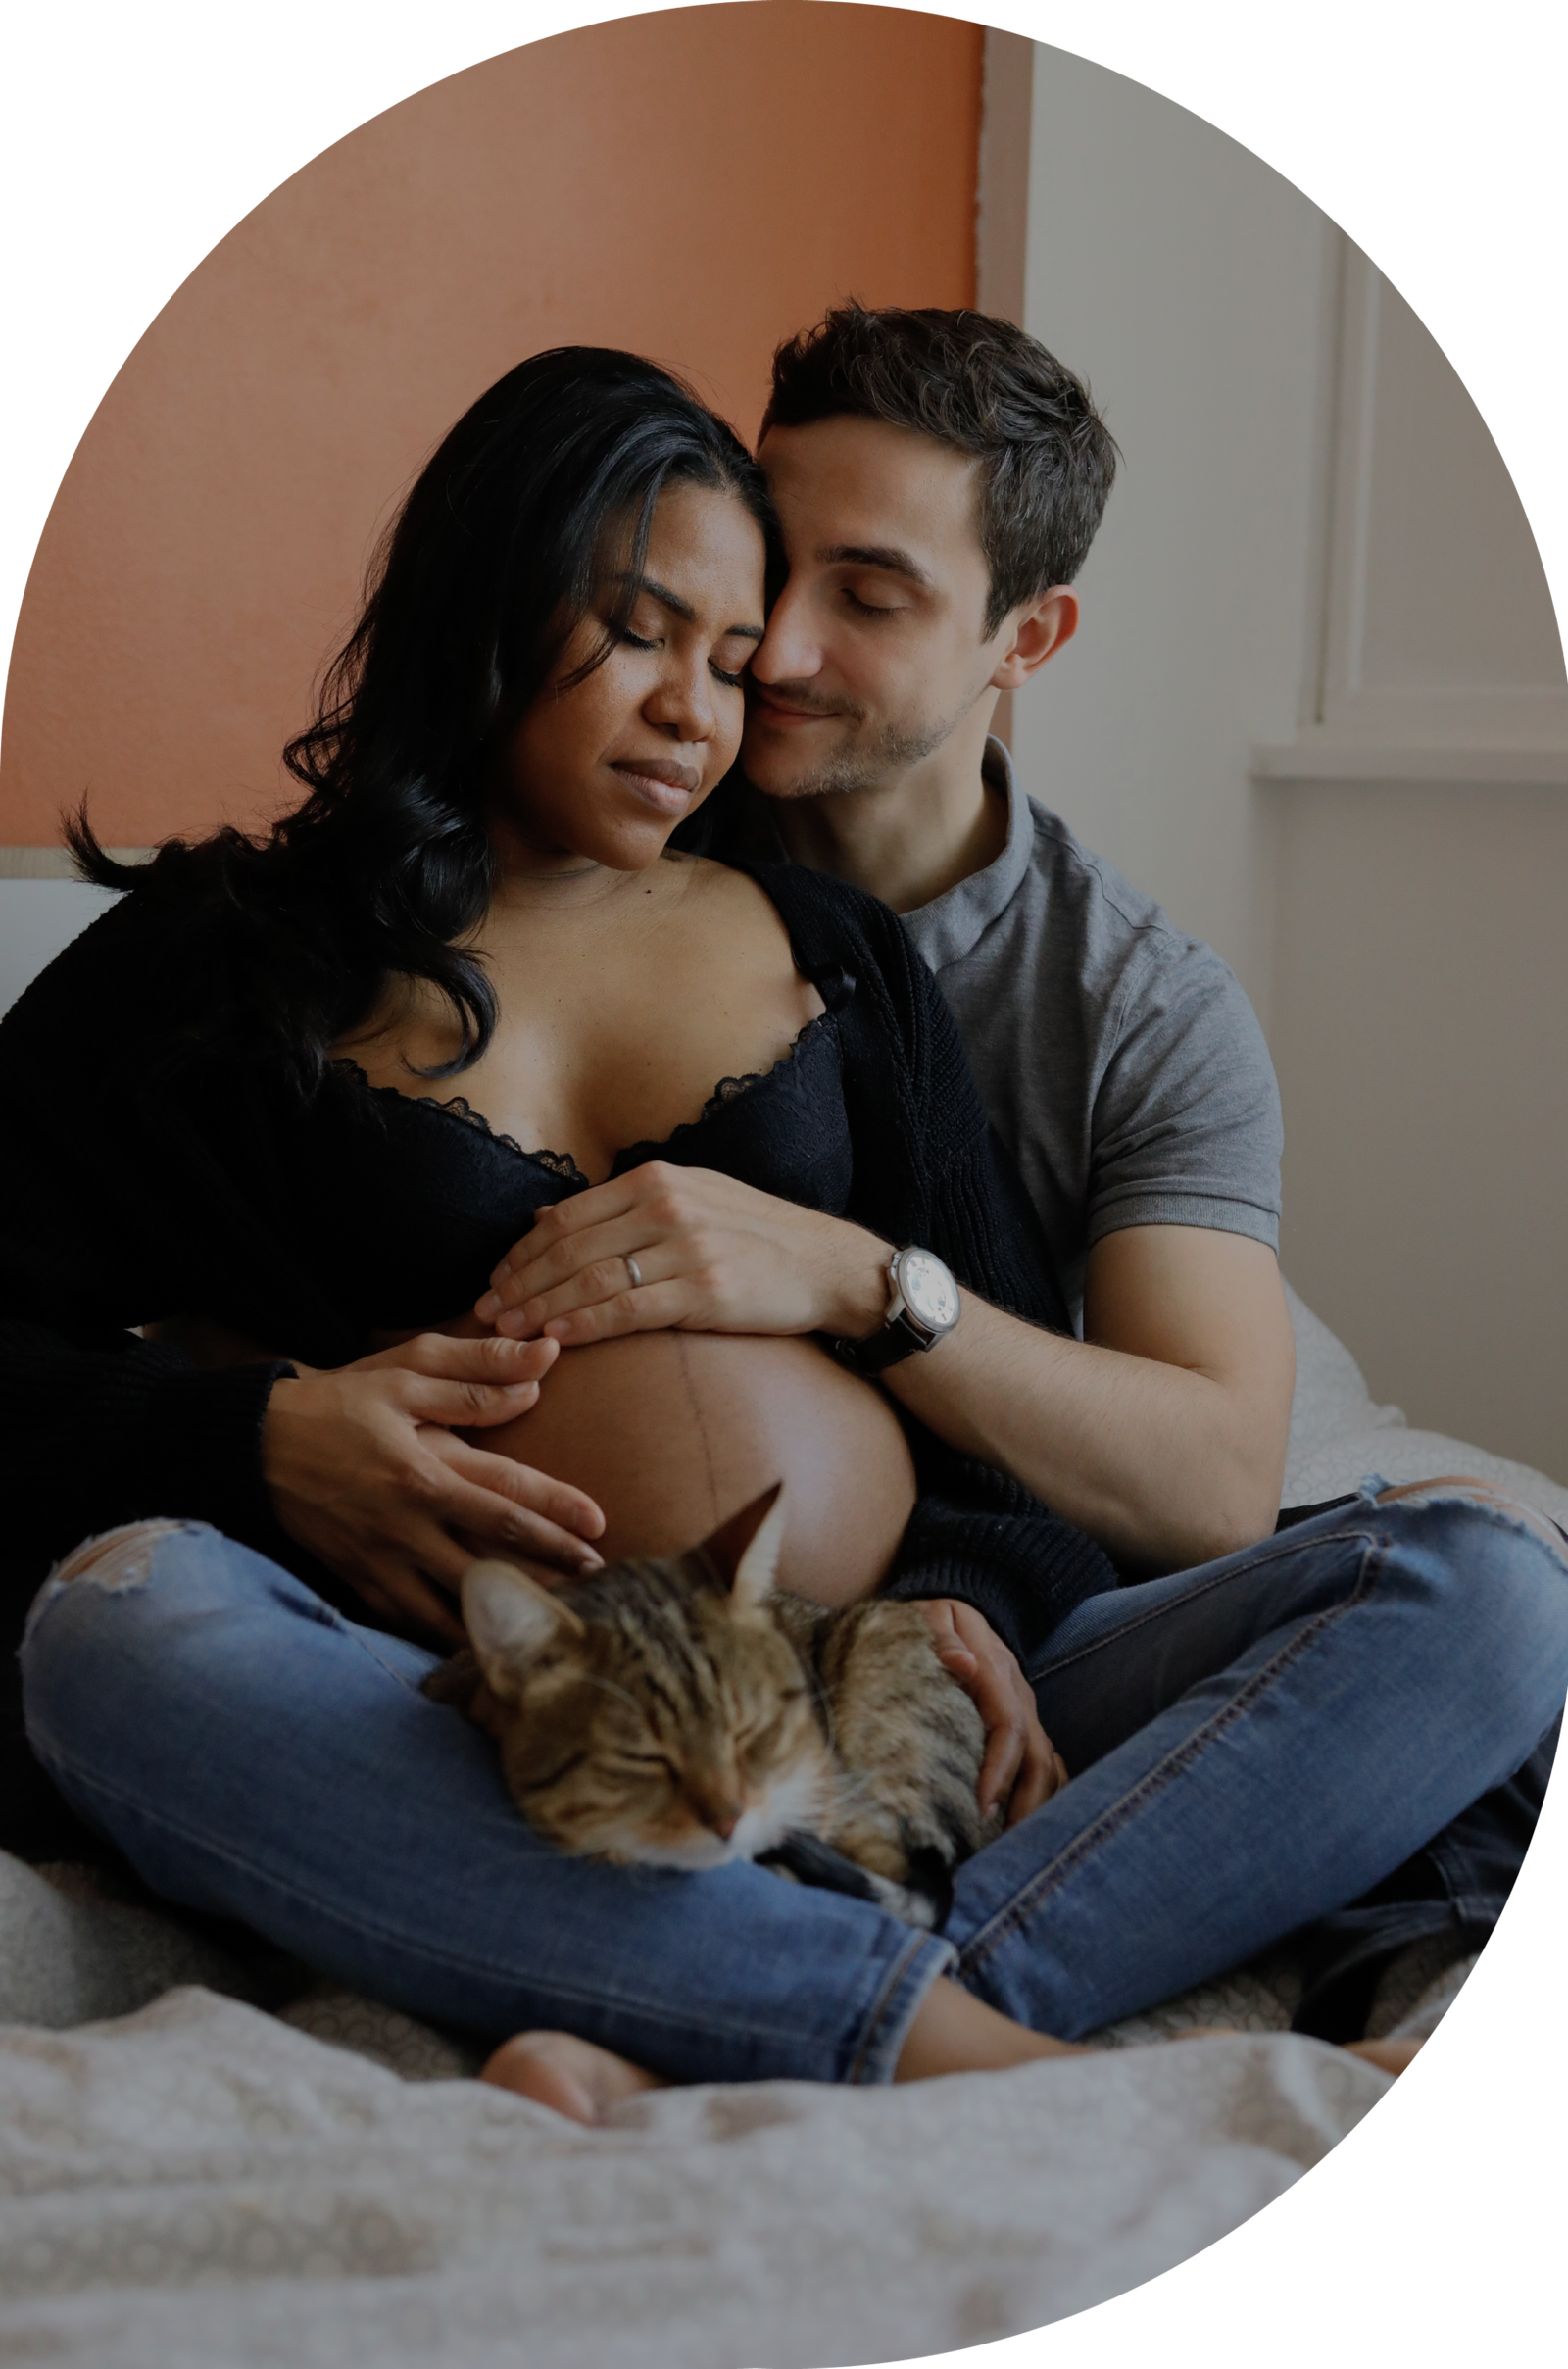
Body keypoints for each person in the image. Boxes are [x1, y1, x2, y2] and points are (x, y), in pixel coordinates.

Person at [5, 350, 1565, 2126]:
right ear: (491, 601)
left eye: (733, 664)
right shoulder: (219, 968)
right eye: (640, 630)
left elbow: (1011, 1410)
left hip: (864, 1680)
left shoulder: (841, 949)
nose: (706, 709)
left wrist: (966, 1602)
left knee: (1495, 1588)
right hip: (461, 1699)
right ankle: (938, 2040)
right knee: (114, 1631)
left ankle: (746, 2004)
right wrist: (259, 1434)